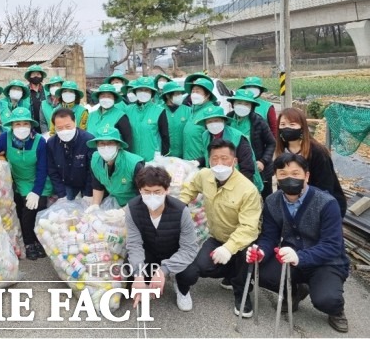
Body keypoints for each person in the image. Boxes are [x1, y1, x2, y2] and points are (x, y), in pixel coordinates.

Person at [245, 153, 349, 333]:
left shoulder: (326, 203)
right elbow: (270, 236)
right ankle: (294, 291)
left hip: (326, 262)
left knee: (326, 299)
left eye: (295, 173)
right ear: (276, 176)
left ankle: (336, 310)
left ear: (306, 176)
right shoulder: (272, 201)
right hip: (293, 256)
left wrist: (300, 257)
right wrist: (261, 252)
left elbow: (332, 245)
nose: (289, 178)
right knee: (260, 271)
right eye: (283, 174)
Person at [178, 139, 262, 318]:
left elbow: (248, 227)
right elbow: (191, 188)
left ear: (235, 161)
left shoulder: (248, 190)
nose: (219, 164)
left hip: (243, 240)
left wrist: (228, 248)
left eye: (224, 158)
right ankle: (231, 272)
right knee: (201, 267)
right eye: (214, 159)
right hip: (217, 237)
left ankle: (242, 292)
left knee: (244, 257)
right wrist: (180, 205)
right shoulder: (205, 176)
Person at [0, 107, 53, 260]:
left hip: (39, 180)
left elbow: (43, 168)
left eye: (25, 124)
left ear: (31, 125)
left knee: (38, 206)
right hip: (19, 180)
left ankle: (37, 240)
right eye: (17, 124)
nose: (21, 128)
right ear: (12, 126)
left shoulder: (40, 141)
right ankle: (28, 242)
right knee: (26, 210)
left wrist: (36, 191)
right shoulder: (5, 137)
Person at [126, 166, 198, 311]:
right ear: (140, 190)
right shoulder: (132, 208)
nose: (152, 196)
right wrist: (138, 274)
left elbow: (189, 248)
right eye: (147, 192)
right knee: (129, 275)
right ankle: (148, 281)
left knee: (190, 273)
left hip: (174, 251)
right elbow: (134, 244)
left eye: (157, 192)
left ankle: (182, 288)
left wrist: (163, 270)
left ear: (166, 190)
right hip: (150, 251)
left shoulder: (181, 211)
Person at [274, 107, 346, 217]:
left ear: (302, 127)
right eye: (283, 124)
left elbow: (326, 187)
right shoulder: (282, 151)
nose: (287, 128)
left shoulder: (317, 152)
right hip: (294, 205)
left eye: (292, 124)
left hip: (322, 206)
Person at [196, 105, 263, 191]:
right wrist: (196, 162)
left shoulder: (237, 137)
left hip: (240, 181)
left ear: (223, 121)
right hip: (218, 179)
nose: (213, 124)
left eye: (216, 120)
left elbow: (247, 166)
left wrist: (242, 189)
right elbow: (208, 155)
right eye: (209, 122)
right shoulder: (205, 135)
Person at [227, 89, 276, 199]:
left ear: (251, 107)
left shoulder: (258, 121)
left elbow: (271, 143)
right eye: (239, 103)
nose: (242, 106)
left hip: (258, 169)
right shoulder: (227, 120)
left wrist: (263, 161)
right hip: (234, 168)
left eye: (246, 104)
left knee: (265, 198)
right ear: (233, 104)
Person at [88, 126, 145, 207]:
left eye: (110, 143)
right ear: (97, 145)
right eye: (102, 143)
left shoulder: (133, 165)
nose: (106, 147)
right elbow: (98, 186)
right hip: (113, 201)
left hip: (135, 204)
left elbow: (143, 194)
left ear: (118, 145)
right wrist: (95, 205)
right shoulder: (95, 160)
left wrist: (126, 210)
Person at [46, 108, 95, 202]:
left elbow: (92, 170)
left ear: (75, 123)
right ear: (55, 127)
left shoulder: (88, 141)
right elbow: (52, 171)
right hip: (66, 185)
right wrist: (61, 194)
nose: (64, 131)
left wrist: (88, 193)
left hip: (86, 183)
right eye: (59, 128)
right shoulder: (51, 144)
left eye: (68, 126)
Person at [125, 76, 170, 161]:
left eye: (147, 90)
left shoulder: (159, 111)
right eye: (140, 90)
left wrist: (162, 157)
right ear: (135, 92)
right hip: (133, 159)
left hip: (152, 158)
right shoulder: (128, 110)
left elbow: (165, 136)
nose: (143, 92)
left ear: (152, 93)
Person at [182, 77, 220, 161]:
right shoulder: (193, 111)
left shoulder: (211, 112)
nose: (194, 94)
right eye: (193, 91)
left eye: (198, 91)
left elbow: (217, 143)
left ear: (207, 95)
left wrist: (201, 161)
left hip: (202, 164)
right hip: (189, 162)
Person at [86, 84, 133, 149]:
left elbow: (128, 140)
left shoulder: (120, 116)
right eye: (103, 96)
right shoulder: (91, 115)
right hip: (92, 156)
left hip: (112, 156)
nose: (106, 99)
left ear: (114, 98)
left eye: (109, 96)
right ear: (98, 98)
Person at [159, 81, 191, 158]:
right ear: (167, 95)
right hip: (165, 155)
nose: (179, 96)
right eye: (176, 94)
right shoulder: (159, 110)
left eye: (180, 93)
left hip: (184, 155)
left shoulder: (188, 111)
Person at [23, 65, 48, 134]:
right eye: (33, 74)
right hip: (30, 126)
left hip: (45, 126)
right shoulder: (24, 91)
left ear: (42, 76)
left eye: (38, 74)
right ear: (29, 77)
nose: (36, 76)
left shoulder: (46, 90)